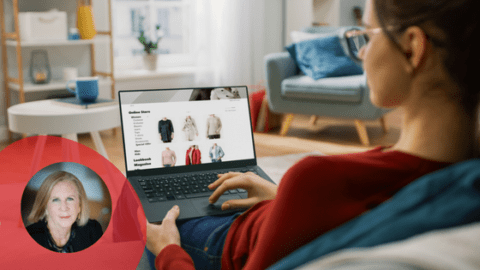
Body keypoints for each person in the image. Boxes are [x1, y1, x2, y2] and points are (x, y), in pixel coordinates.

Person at [146, 0, 480, 269]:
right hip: (275, 215)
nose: (362, 52)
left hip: (223, 243)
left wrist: (168, 252)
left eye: (366, 34)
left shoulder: (318, 178)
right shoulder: (460, 176)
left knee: (135, 215)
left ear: (411, 48)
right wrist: (283, 199)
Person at [26, 171, 103, 253]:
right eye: (55, 200)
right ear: (45, 207)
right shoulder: (28, 238)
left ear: (79, 206)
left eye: (70, 199)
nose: (64, 208)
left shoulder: (93, 231)